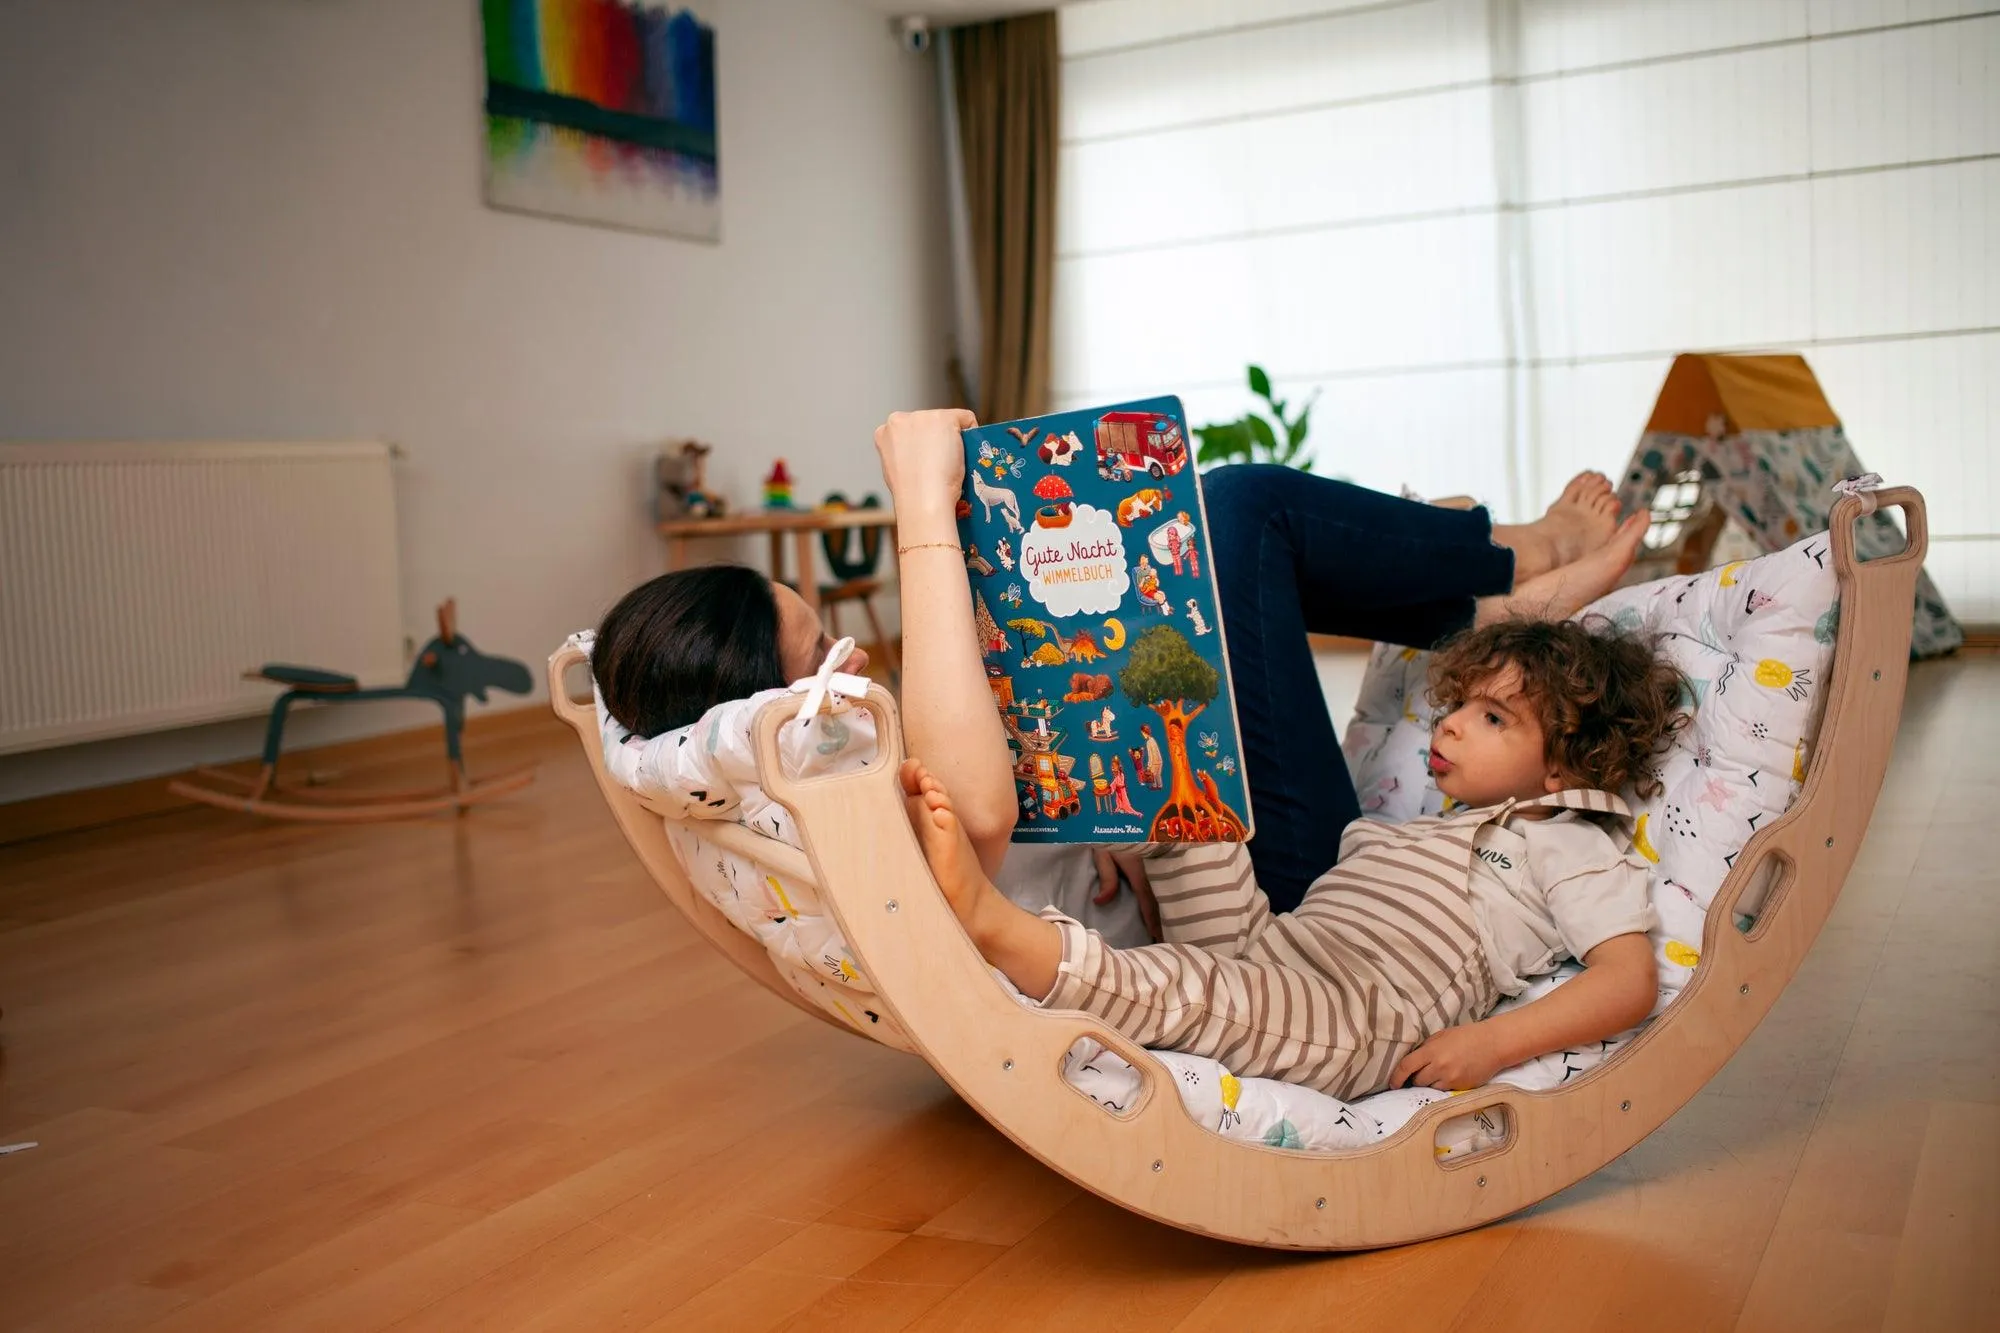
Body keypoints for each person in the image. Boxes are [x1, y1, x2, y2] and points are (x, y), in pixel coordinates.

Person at [590, 410, 1647, 952]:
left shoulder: (802, 769)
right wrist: (923, 507)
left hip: (1184, 853)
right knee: (1233, 516)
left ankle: (1484, 594)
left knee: (1200, 546)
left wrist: (1104, 831)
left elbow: (1011, 822)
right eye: (819, 656)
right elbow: (986, 813)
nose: (853, 662)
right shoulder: (825, 772)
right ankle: (1506, 565)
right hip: (1273, 916)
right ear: (761, 703)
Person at [900, 616, 1687, 1098]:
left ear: (1565, 763)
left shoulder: (1570, 839)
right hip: (1274, 946)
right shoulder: (1435, 824)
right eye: (1454, 708)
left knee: (1188, 990)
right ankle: (1040, 786)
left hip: (1357, 1017)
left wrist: (1493, 1044)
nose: (1445, 728)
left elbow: (1627, 979)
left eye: (1490, 718)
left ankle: (993, 921)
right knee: (1193, 799)